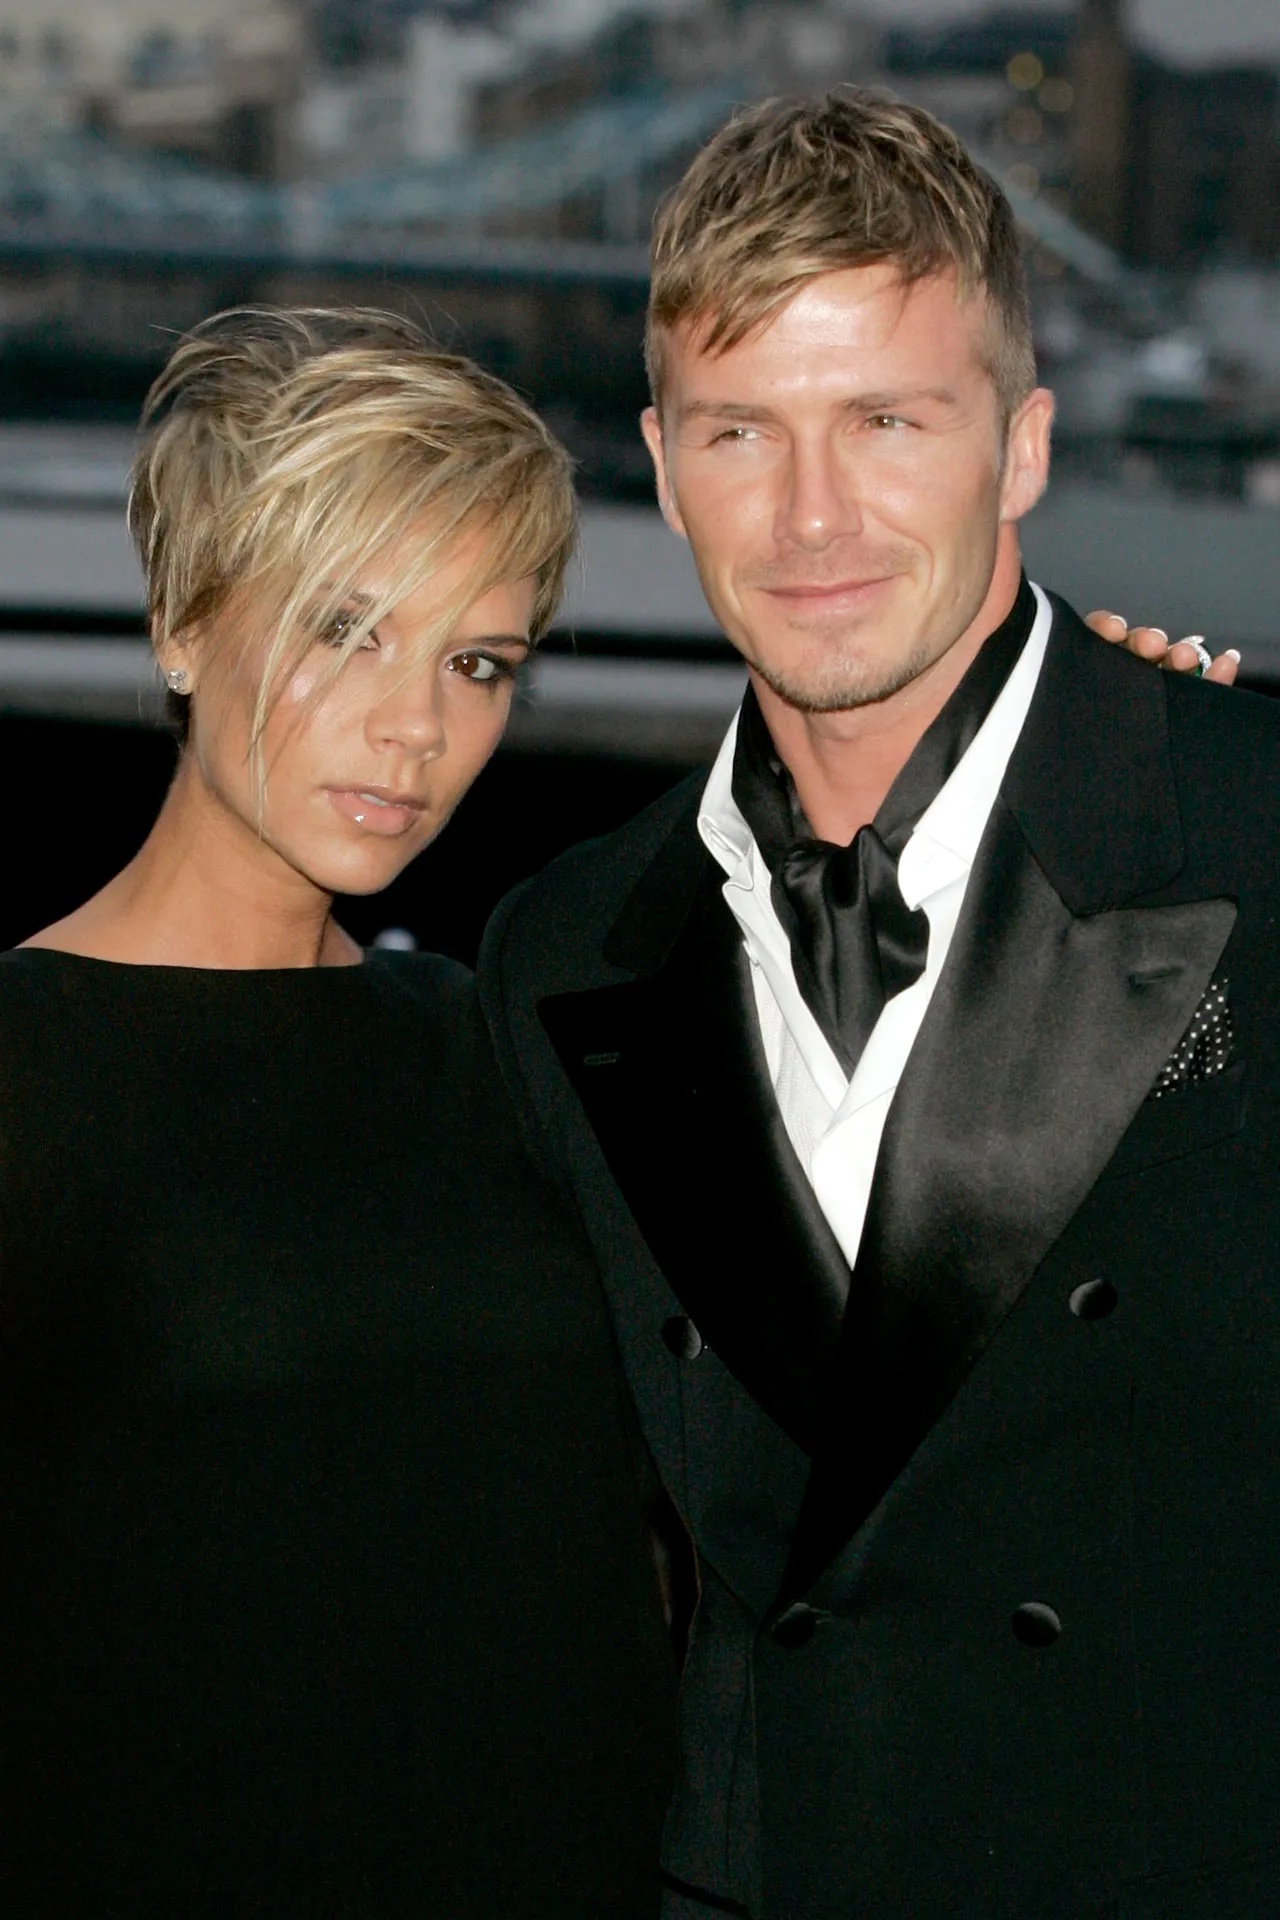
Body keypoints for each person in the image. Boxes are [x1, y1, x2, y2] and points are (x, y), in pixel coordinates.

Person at [478, 91, 1280, 1920]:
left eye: (888, 423)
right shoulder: (562, 948)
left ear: (1021, 447)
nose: (812, 514)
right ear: (662, 462)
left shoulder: (1251, 832)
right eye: (741, 432)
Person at [0, 307, 675, 1918]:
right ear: (182, 621)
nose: (417, 727)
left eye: (476, 662)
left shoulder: (502, 1045)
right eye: (347, 629)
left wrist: (1105, 771)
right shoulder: (22, 1067)